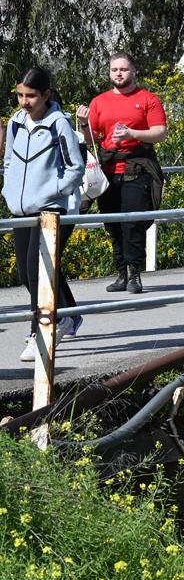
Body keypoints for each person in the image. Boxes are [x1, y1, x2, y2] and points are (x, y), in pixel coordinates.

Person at [8, 67, 84, 360]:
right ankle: (67, 316)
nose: (24, 102)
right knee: (27, 275)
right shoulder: (16, 122)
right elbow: (10, 161)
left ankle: (42, 330)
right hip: (21, 209)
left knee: (38, 271)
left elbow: (75, 167)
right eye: (20, 95)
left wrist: (52, 191)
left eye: (31, 96)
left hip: (50, 209)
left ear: (46, 95)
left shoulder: (59, 123)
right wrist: (9, 191)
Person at [78, 52, 167, 295]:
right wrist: (84, 124)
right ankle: (120, 273)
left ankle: (134, 274)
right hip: (108, 171)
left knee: (134, 222)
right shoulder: (99, 102)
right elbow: (92, 141)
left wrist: (132, 134)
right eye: (114, 69)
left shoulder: (148, 99)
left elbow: (160, 132)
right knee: (113, 223)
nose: (119, 73)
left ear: (134, 71)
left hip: (137, 169)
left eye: (124, 69)